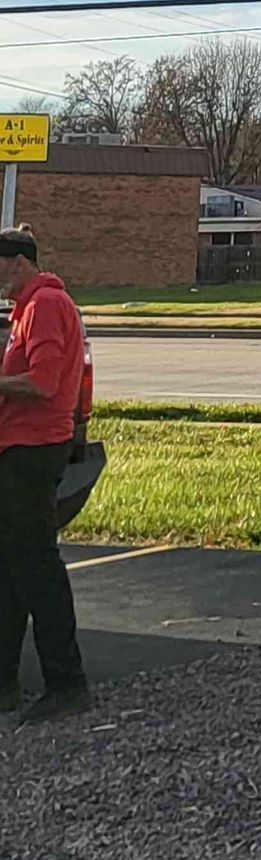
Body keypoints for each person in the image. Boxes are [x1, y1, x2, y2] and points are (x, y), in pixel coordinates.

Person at [0, 230, 90, 722]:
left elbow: (43, 382)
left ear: (15, 263)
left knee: (36, 566)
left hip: (34, 450)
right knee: (10, 568)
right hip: (17, 447)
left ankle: (66, 682)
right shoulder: (26, 310)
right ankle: (4, 683)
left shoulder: (47, 305)